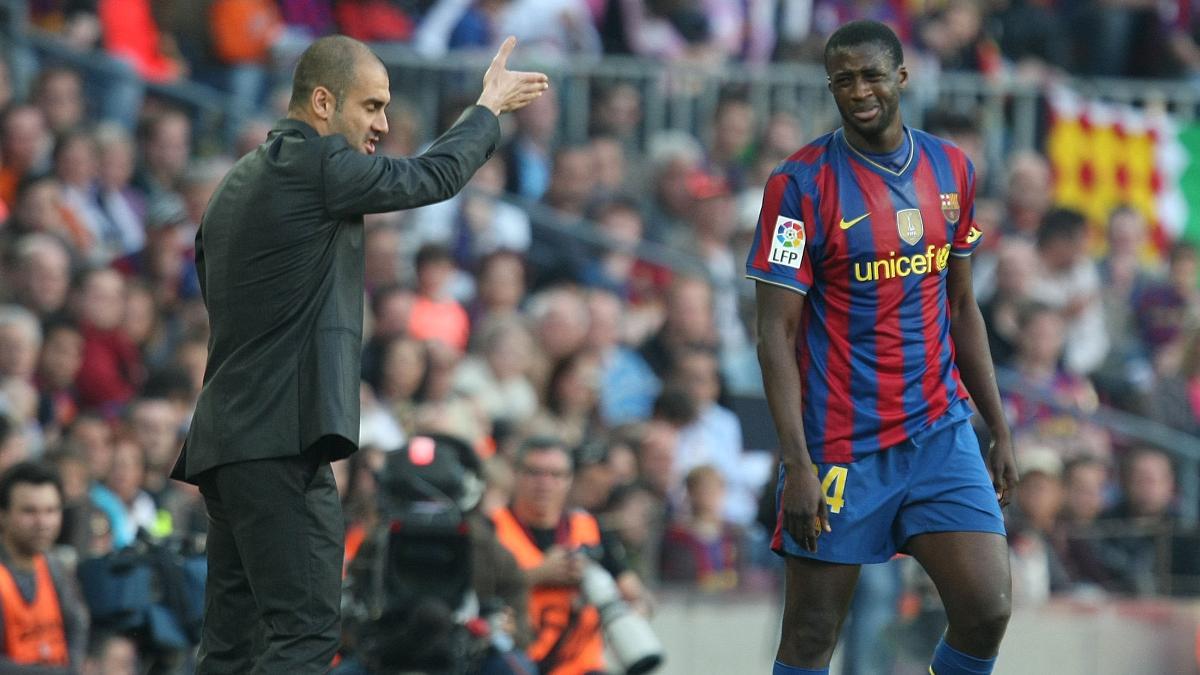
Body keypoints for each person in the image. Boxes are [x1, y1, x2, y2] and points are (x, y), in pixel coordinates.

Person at [170, 34, 549, 674]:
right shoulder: (314, 166)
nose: (381, 125)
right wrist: (488, 109)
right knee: (307, 635)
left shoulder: (236, 184)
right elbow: (433, 175)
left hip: (230, 441)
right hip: (282, 441)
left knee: (231, 648)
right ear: (322, 102)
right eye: (371, 107)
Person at [745, 20, 1017, 675]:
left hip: (938, 430)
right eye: (843, 80)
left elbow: (961, 306)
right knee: (812, 635)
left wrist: (999, 426)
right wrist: (798, 464)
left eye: (870, 75)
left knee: (987, 608)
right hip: (840, 445)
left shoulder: (952, 169)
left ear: (901, 76)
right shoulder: (799, 185)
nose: (858, 90)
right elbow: (774, 334)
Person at [492, 437, 648, 675]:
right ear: (517, 475)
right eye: (534, 473)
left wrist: (626, 615)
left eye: (555, 475)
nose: (544, 483)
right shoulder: (492, 528)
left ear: (569, 480)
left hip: (582, 666)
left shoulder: (590, 529)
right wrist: (539, 574)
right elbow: (476, 595)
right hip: (516, 659)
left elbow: (638, 597)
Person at [0, 462, 89, 672]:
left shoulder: (54, 565)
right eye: (29, 511)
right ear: (2, 515)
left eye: (51, 510)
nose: (42, 522)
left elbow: (78, 625)